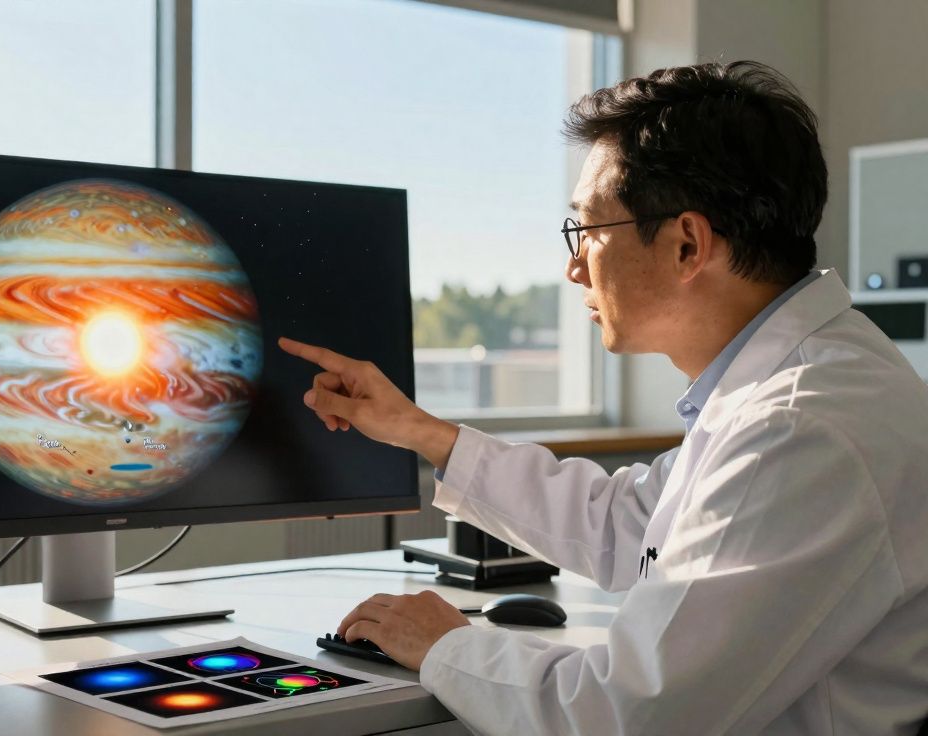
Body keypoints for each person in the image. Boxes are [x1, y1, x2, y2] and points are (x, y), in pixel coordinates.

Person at [280, 61, 928, 735]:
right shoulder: (796, 386)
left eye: (587, 230)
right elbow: (627, 525)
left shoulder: (800, 426)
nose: (572, 265)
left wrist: (447, 644)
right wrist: (421, 432)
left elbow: (626, 717)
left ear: (686, 244)